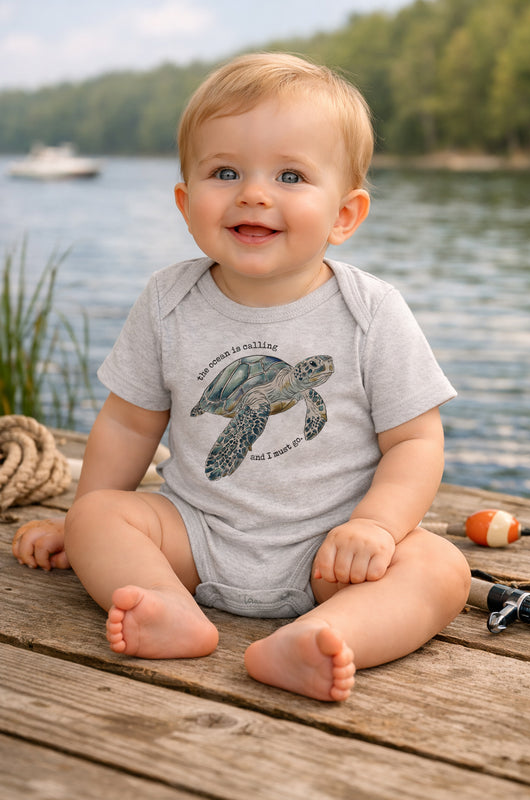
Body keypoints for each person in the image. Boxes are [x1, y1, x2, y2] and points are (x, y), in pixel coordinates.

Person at [12, 53, 471, 702]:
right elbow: (126, 421)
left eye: (290, 175)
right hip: (195, 534)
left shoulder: (371, 311)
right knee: (98, 518)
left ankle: (321, 637)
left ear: (344, 214)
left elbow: (416, 442)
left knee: (438, 567)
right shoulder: (167, 300)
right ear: (185, 201)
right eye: (224, 172)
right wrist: (78, 519)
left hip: (329, 554)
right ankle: (165, 607)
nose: (253, 193)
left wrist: (373, 526)